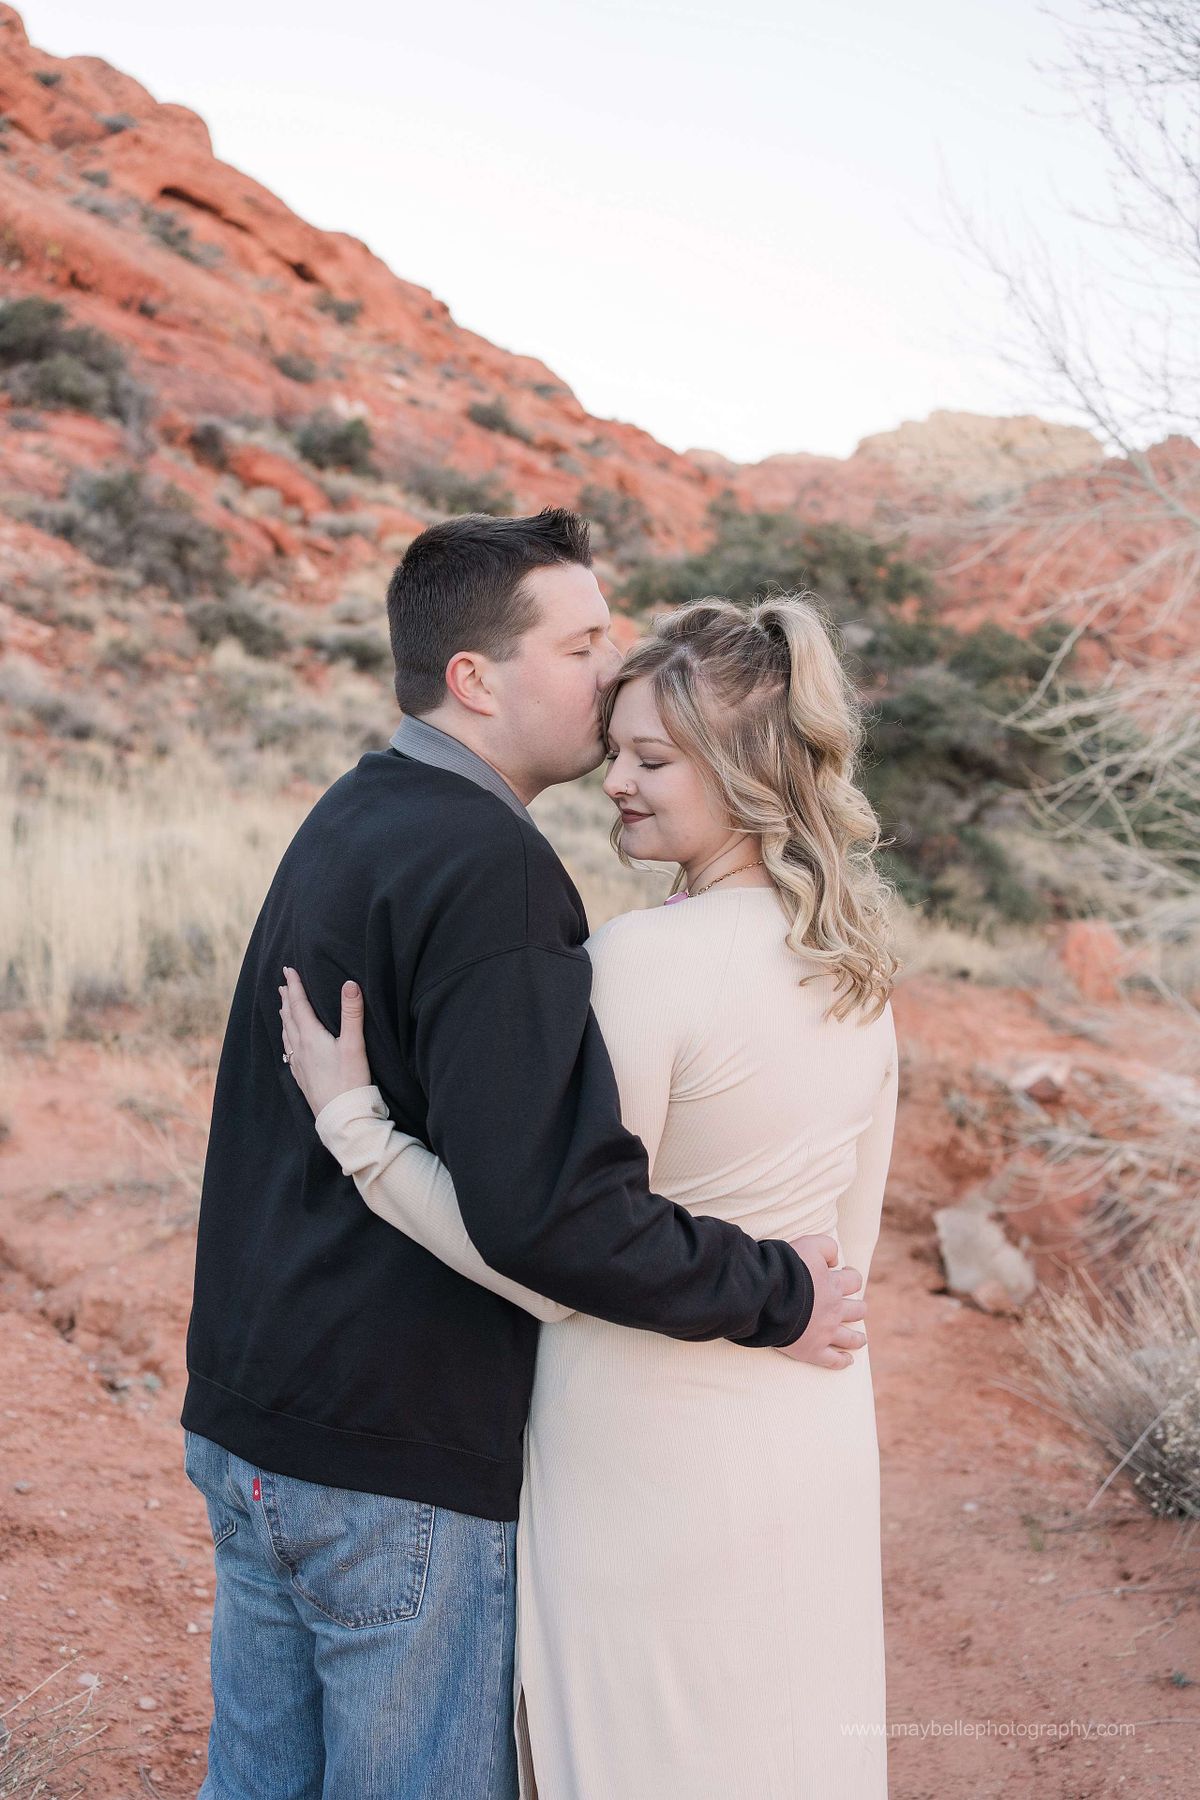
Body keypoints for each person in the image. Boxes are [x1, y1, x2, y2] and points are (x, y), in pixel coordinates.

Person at [180, 509, 868, 1800]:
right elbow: (550, 1222)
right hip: (390, 1468)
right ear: (475, 678)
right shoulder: (496, 868)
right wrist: (781, 1290)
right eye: (582, 642)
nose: (608, 672)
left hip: (252, 1425)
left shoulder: (349, 811)